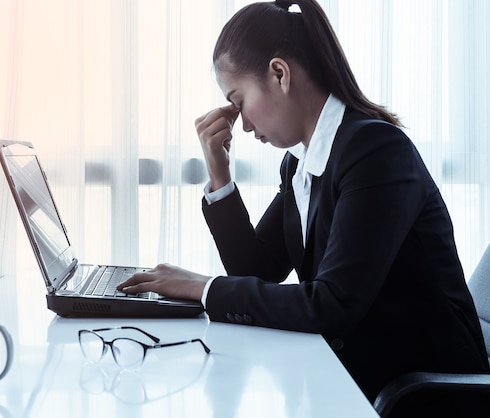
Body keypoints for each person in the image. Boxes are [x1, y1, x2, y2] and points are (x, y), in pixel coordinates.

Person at [118, 0, 489, 415]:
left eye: (238, 102)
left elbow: (332, 304)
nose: (241, 124)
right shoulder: (301, 163)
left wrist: (201, 287)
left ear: (279, 73)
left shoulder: (375, 151)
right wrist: (220, 175)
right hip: (353, 377)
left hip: (426, 394)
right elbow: (257, 273)